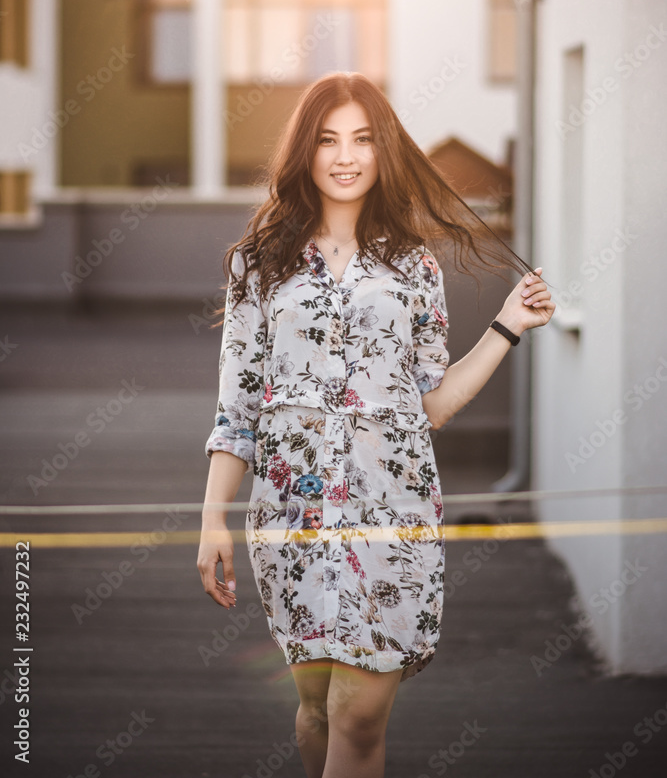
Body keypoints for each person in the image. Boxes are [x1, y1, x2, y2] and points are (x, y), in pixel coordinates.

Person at [197, 71, 555, 778]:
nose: (345, 155)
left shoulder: (412, 267)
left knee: (357, 719)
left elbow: (432, 403)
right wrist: (212, 518)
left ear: (382, 150)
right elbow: (236, 408)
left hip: (391, 511)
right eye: (327, 139)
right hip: (291, 515)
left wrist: (507, 327)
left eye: (362, 139)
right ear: (305, 151)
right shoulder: (257, 265)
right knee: (315, 708)